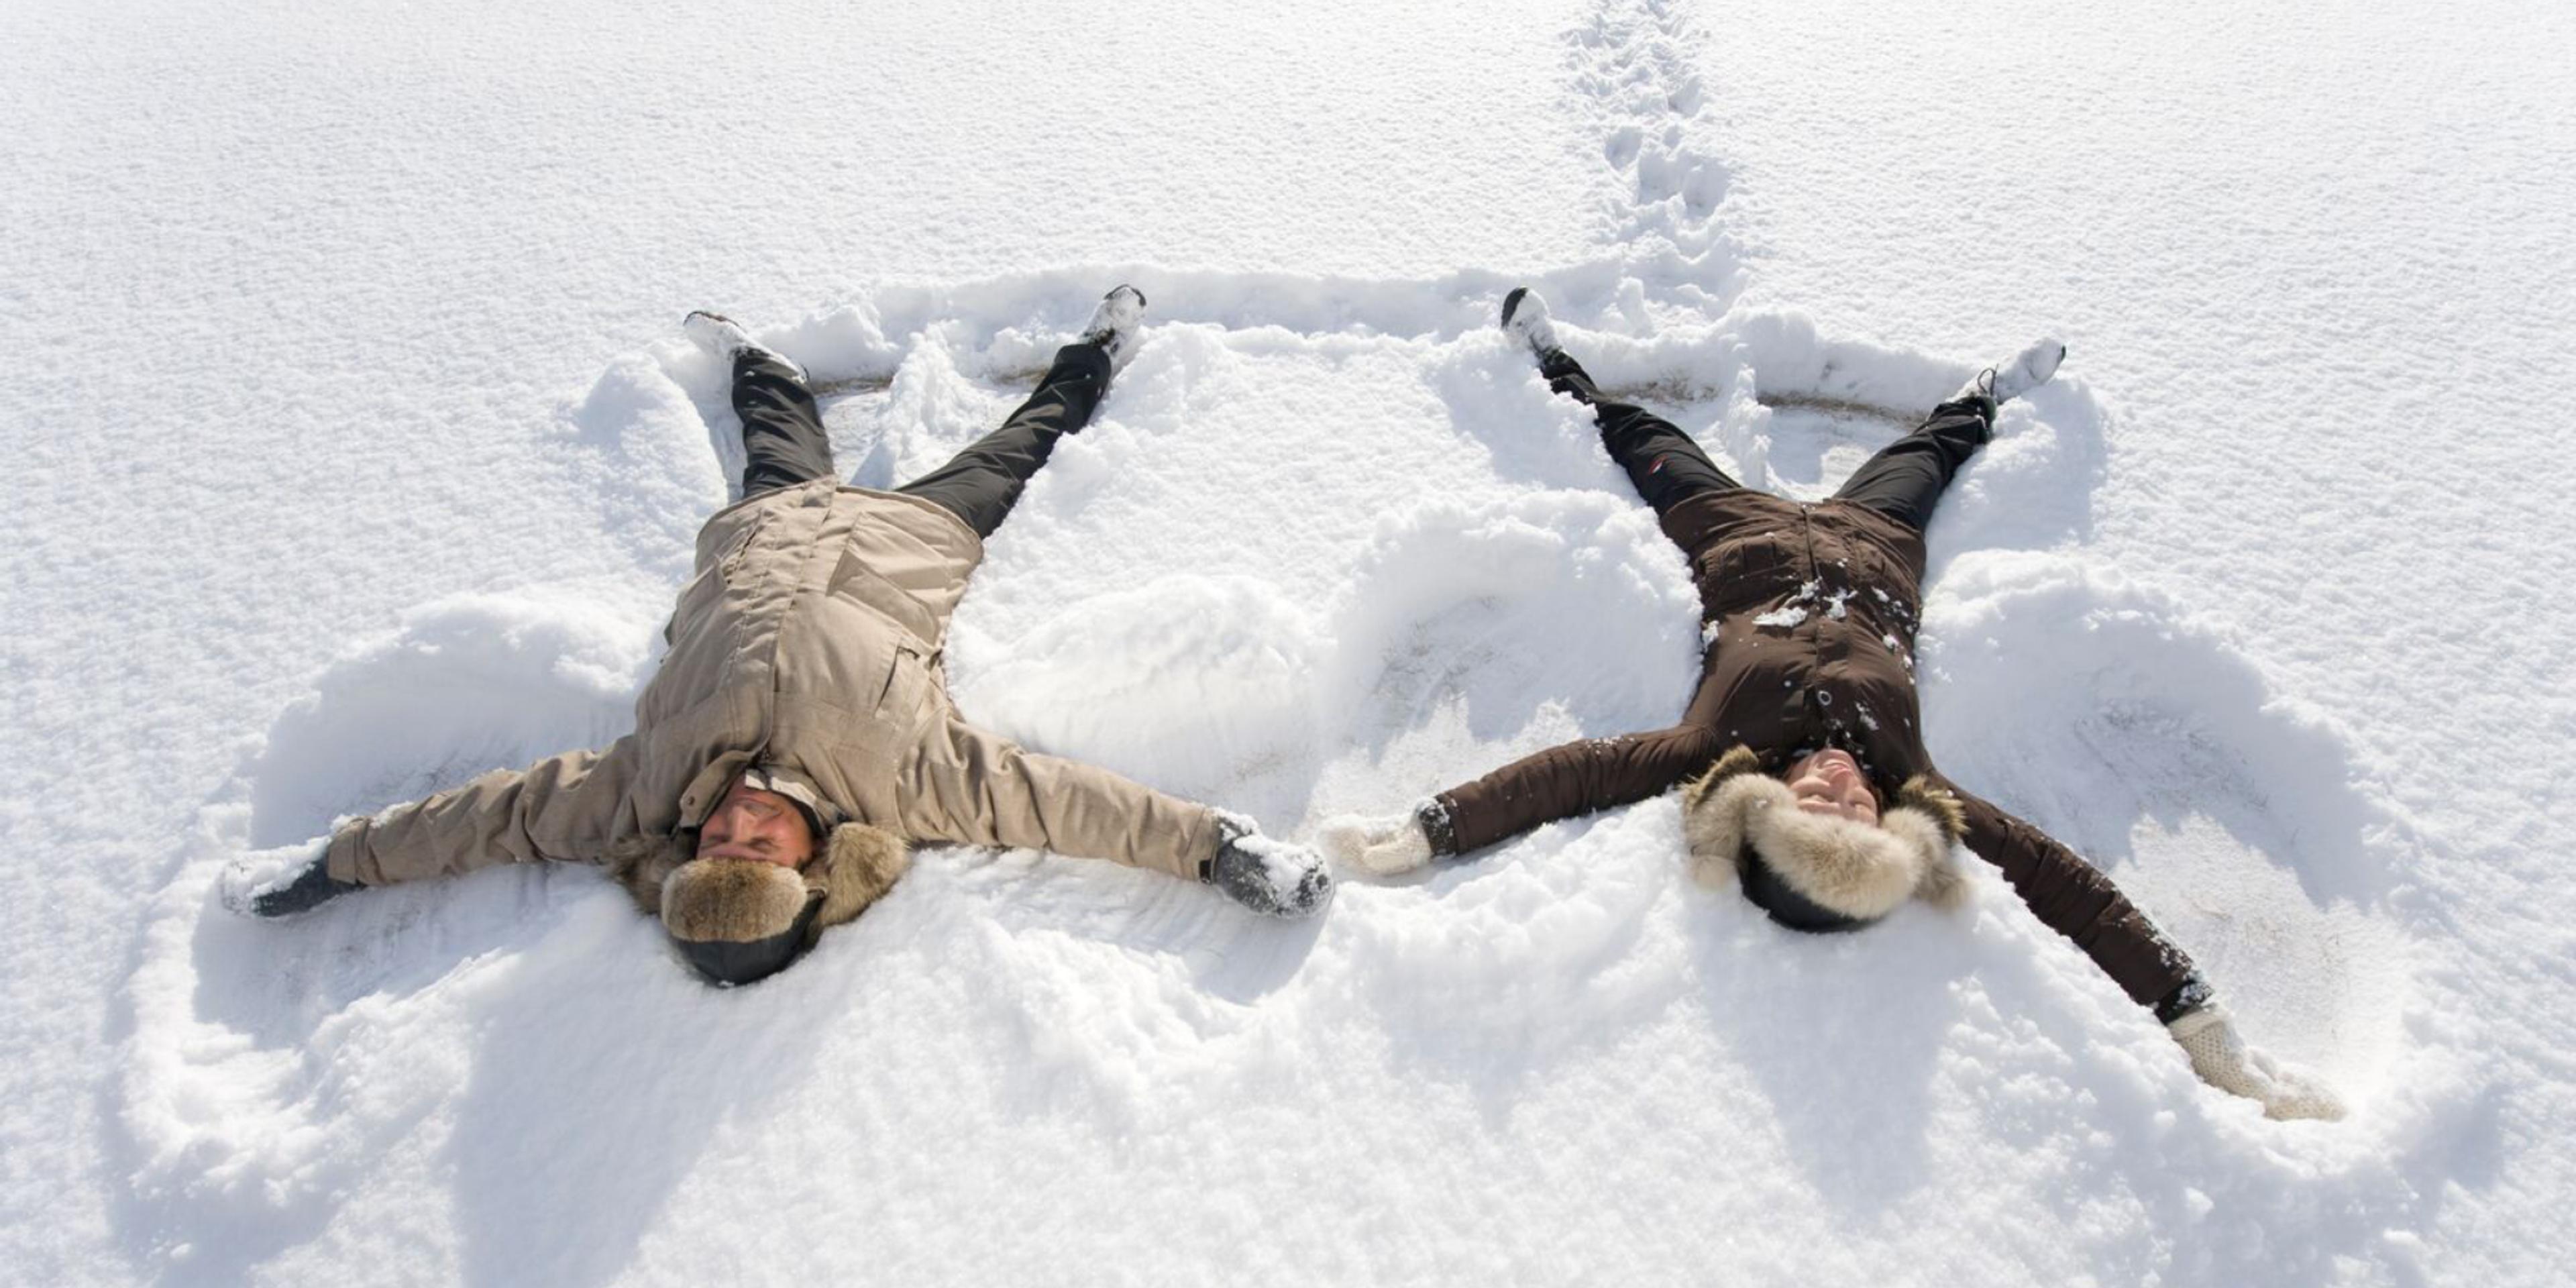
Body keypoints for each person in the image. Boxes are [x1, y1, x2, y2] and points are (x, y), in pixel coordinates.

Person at [1322, 288, 2343, 1121]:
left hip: (1737, 535)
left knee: (1638, 436)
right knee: (1934, 454)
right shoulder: (1919, 787)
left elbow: (1569, 777)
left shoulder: (1710, 750)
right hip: (1878, 546)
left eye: (1815, 808)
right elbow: (2066, 887)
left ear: (1768, 811)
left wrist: (1428, 829)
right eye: (1857, 813)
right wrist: (2196, 1020)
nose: (1839, 787)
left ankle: (1553, 363)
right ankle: (1988, 395)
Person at [225, 287, 1332, 985]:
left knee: (776, 431)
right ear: (812, 869)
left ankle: (758, 358)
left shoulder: (645, 792)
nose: (738, 829)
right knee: (1026, 439)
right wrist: (1220, 851)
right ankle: (1096, 352)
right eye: (759, 853)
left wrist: (337, 864)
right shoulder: (905, 788)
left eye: (718, 850)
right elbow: (1071, 808)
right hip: (914, 541)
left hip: (765, 537)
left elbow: (487, 820)